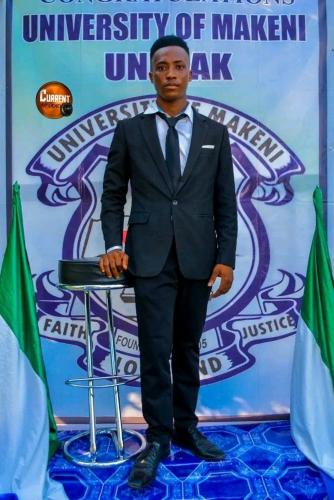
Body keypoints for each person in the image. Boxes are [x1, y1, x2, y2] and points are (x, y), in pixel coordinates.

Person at [99, 35, 237, 489]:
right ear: (152, 74)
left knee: (189, 348)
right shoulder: (130, 131)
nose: (171, 73)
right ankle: (157, 435)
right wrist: (114, 245)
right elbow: (113, 194)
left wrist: (227, 259)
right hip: (150, 257)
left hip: (199, 258)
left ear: (191, 72)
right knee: (156, 351)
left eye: (179, 65)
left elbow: (225, 203)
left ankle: (186, 425)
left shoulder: (215, 134)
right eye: (162, 66)